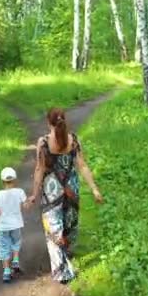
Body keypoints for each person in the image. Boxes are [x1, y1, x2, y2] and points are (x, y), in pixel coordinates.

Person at [28, 107, 104, 284]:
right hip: (72, 190)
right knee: (70, 225)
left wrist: (34, 194)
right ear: (64, 121)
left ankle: (62, 270)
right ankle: (66, 254)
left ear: (49, 123)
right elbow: (82, 166)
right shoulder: (74, 140)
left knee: (53, 229)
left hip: (52, 192)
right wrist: (94, 189)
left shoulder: (43, 143)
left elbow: (39, 169)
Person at [0, 167, 28, 283]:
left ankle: (7, 272)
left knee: (4, 247)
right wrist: (29, 202)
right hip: (16, 225)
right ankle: (15, 260)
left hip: (3, 227)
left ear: (2, 181)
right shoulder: (20, 192)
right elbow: (26, 205)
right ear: (15, 180)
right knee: (16, 242)